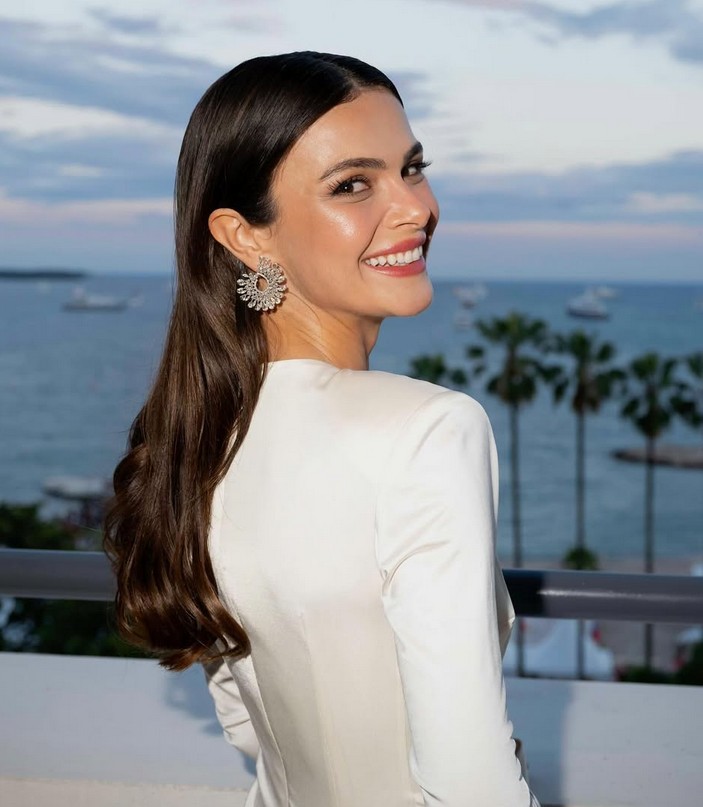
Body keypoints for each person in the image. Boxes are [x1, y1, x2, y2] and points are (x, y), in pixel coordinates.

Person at [104, 51, 540, 807]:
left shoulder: (201, 436)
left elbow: (250, 729)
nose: (414, 208)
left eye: (411, 169)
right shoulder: (429, 430)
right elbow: (471, 784)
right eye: (352, 185)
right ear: (246, 236)